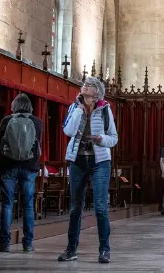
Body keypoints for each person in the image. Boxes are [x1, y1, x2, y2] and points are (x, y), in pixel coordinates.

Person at [58, 77, 118, 263]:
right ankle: (71, 250)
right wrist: (79, 111)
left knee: (100, 208)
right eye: (84, 85)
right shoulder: (74, 107)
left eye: (89, 86)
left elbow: (113, 138)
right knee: (76, 208)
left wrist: (101, 139)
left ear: (97, 92)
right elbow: (68, 131)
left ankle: (104, 250)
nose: (85, 87)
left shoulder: (105, 110)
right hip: (78, 161)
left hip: (100, 161)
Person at [0, 93, 43, 253]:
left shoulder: (6, 120)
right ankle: (27, 243)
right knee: (28, 205)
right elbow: (37, 146)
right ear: (30, 107)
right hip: (29, 167)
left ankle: (4, 242)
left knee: (7, 204)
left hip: (8, 166)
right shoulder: (37, 122)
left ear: (14, 105)